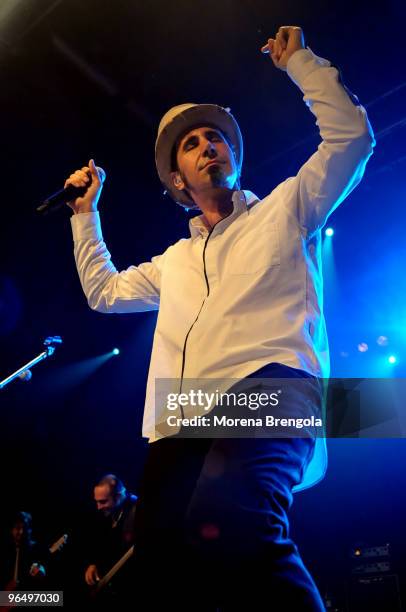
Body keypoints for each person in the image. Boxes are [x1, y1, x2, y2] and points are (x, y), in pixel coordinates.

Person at [66, 25, 374, 610]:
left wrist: (302, 64)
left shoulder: (287, 207)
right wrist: (86, 216)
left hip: (272, 386)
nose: (210, 145)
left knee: (234, 516)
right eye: (193, 143)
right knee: (160, 550)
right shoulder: (173, 261)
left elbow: (352, 140)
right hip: (185, 414)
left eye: (217, 138)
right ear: (178, 181)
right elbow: (103, 292)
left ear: (233, 156)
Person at [83, 474, 137, 603]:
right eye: (97, 502)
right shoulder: (111, 512)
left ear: (118, 496)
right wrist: (94, 563)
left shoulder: (137, 512)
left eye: (103, 502)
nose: (98, 507)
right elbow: (103, 542)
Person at [0, 511, 46, 591]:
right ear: (11, 529)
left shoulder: (35, 548)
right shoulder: (5, 549)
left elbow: (42, 566)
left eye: (24, 528)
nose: (21, 532)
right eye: (17, 527)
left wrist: (41, 571)